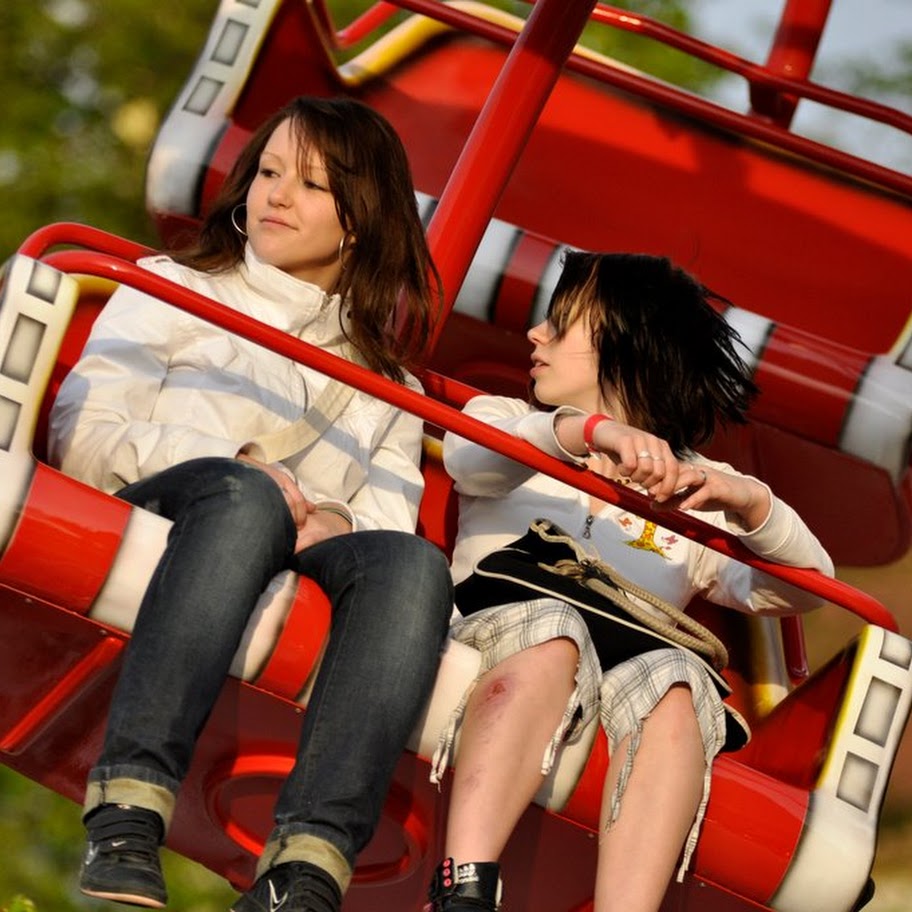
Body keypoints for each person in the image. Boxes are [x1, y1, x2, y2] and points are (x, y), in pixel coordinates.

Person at [48, 95, 453, 912]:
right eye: (268, 171)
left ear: (359, 221)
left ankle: (306, 870)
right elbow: (83, 432)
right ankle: (127, 808)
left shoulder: (390, 387)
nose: (274, 195)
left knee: (413, 565)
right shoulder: (175, 288)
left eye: (308, 184)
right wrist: (237, 468)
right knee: (242, 500)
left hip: (294, 542)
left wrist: (334, 520)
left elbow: (387, 519)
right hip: (172, 507)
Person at [426, 251, 834, 912]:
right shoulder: (512, 423)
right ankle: (464, 885)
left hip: (626, 674)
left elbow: (806, 588)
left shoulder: (690, 488)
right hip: (504, 633)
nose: (535, 336)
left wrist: (750, 503)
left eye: (559, 325)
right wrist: (583, 432)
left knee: (678, 683)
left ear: (629, 349)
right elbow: (471, 459)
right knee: (553, 632)